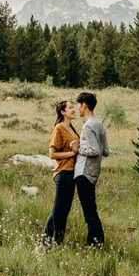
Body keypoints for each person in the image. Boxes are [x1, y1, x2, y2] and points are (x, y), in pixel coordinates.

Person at [74, 91, 110, 248]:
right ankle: (95, 241)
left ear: (84, 105)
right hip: (94, 172)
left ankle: (95, 243)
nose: (77, 108)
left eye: (78, 105)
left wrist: (78, 149)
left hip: (84, 172)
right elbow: (106, 151)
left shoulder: (88, 126)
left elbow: (94, 150)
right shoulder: (99, 125)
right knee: (91, 209)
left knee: (89, 212)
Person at [43, 99, 79, 245]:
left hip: (72, 174)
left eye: (73, 107)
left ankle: (58, 243)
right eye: (70, 108)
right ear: (63, 112)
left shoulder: (72, 129)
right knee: (57, 210)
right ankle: (44, 242)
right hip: (62, 173)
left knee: (65, 210)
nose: (73, 110)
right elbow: (52, 154)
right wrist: (71, 153)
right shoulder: (59, 128)